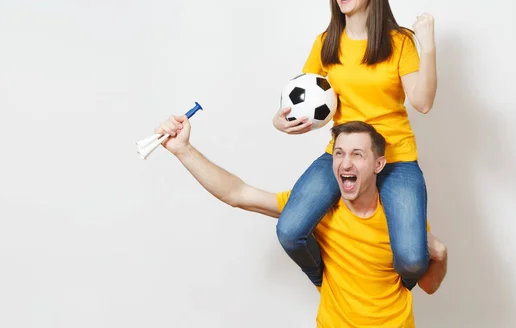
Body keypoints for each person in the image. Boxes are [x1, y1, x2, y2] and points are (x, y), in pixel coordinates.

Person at [155, 115, 448, 327]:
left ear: (378, 164)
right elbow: (238, 193)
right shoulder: (318, 212)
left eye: (357, 155)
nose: (345, 163)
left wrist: (441, 256)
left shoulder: (401, 219)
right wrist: (183, 149)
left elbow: (430, 286)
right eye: (339, 153)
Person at [272, 0, 438, 291]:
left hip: (395, 158)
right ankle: (333, 284)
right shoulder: (326, 42)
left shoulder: (399, 42)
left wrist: (429, 46)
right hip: (343, 154)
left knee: (412, 260)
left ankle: (385, 293)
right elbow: (302, 97)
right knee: (290, 231)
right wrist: (281, 121)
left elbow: (421, 102)